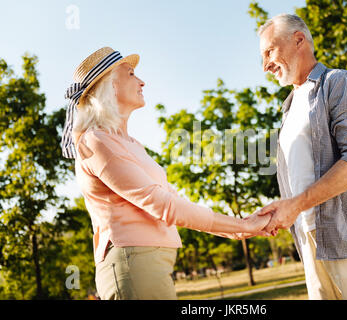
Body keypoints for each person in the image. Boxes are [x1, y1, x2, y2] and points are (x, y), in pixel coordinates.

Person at [60, 47, 270, 300]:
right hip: (134, 264)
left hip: (150, 264)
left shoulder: (132, 144)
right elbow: (164, 206)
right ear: (111, 85)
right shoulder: (97, 142)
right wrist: (242, 226)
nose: (142, 81)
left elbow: (176, 201)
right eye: (131, 74)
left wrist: (239, 229)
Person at [255, 14, 347, 300]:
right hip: (312, 242)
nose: (266, 65)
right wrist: (282, 212)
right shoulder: (289, 109)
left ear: (299, 40)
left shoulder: (338, 83)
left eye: (269, 51)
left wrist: (295, 204)